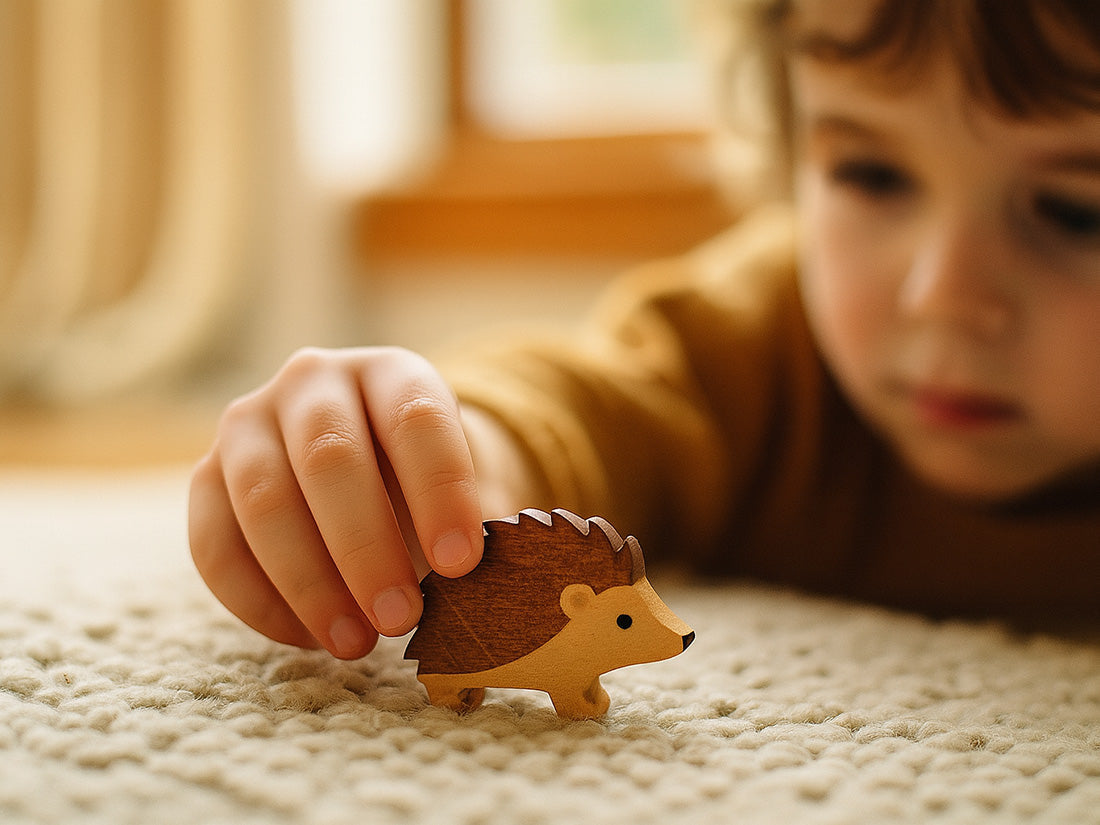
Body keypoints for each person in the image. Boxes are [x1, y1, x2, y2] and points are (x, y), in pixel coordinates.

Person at [189, 0, 1100, 661]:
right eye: (869, 172)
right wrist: (438, 449)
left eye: (1073, 211)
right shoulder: (762, 346)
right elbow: (588, 398)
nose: (940, 293)